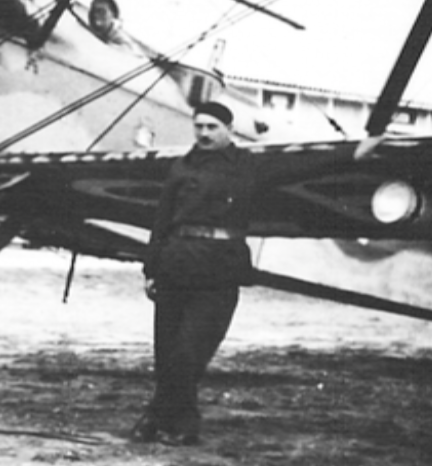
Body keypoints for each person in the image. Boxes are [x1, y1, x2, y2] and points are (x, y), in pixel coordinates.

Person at [131, 101, 381, 444]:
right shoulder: (181, 167)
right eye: (199, 126)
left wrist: (353, 153)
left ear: (228, 130)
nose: (204, 133)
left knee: (190, 353)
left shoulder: (249, 166)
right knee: (167, 352)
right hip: (176, 265)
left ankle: (163, 418)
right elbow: (161, 220)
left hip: (219, 270)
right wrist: (151, 268)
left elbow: (302, 167)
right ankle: (174, 424)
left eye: (212, 127)